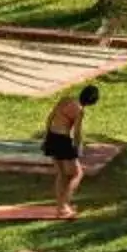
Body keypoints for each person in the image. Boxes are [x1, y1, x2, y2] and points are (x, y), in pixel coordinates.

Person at [42, 83, 100, 217]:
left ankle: (59, 207)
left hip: (51, 136)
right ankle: (63, 205)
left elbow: (50, 118)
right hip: (62, 140)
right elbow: (77, 132)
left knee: (61, 174)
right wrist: (78, 148)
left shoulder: (65, 100)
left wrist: (46, 137)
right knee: (77, 174)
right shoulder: (79, 110)